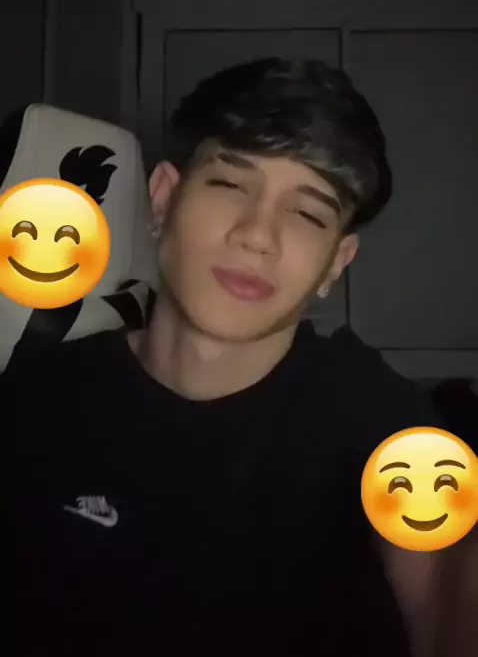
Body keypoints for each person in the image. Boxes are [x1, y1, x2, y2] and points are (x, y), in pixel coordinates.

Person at [0, 59, 450, 656]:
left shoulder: (377, 419)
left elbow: (447, 594)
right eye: (230, 185)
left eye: (307, 213)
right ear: (164, 198)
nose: (258, 235)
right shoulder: (39, 398)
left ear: (335, 264)